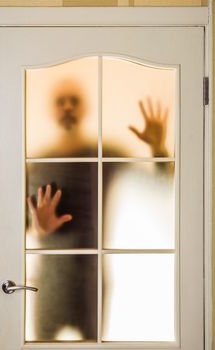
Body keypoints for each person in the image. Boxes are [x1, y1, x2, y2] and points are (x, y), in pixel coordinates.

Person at [27, 78, 171, 341]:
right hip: (48, 282)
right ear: (52, 109)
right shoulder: (35, 163)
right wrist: (38, 229)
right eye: (61, 101)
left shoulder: (106, 154)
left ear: (85, 108)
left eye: (75, 100)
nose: (68, 107)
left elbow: (163, 180)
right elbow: (14, 226)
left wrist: (158, 148)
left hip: (91, 282)